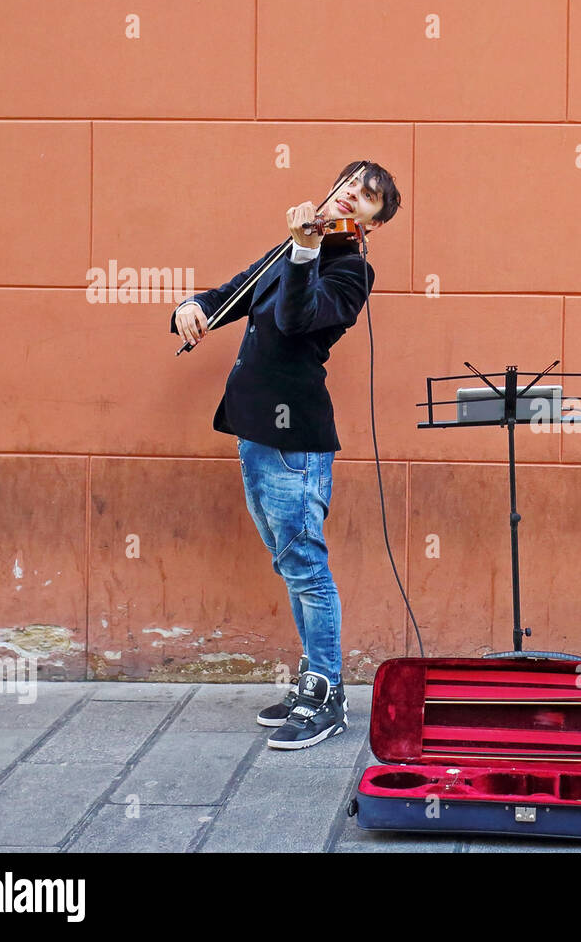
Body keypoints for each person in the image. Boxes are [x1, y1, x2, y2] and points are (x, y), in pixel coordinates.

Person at [170, 160, 402, 750]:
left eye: (368, 197)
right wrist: (190, 308)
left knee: (308, 572)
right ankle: (310, 683)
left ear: (375, 221)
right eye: (349, 184)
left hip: (294, 440)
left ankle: (325, 695)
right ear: (332, 189)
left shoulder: (351, 269)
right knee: (290, 566)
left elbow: (297, 319)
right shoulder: (289, 249)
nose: (353, 196)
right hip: (254, 431)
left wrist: (304, 252)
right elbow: (231, 296)